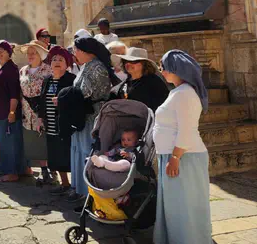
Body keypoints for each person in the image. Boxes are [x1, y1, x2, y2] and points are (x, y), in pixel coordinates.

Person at [153, 50, 216, 244]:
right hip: (175, 157)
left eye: (162, 66)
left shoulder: (186, 94)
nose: (160, 71)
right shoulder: (178, 92)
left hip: (184, 158)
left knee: (186, 206)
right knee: (177, 206)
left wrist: (175, 158)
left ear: (174, 69)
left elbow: (187, 130)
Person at [68, 37, 118, 203]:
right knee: (80, 151)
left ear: (83, 51)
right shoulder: (87, 66)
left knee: (87, 153)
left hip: (92, 118)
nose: (74, 53)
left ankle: (90, 195)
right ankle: (81, 191)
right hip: (83, 116)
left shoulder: (96, 67)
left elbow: (86, 92)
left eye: (75, 50)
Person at [39, 46, 76, 195]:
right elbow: (42, 101)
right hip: (50, 125)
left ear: (67, 64)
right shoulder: (47, 80)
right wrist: (41, 119)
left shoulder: (71, 80)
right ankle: (64, 183)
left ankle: (75, 186)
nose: (57, 62)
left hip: (65, 125)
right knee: (55, 154)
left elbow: (76, 101)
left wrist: (63, 102)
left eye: (61, 59)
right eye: (54, 59)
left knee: (68, 154)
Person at [18, 41, 52, 183]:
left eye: (34, 53)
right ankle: (42, 169)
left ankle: (51, 169)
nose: (30, 56)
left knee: (45, 140)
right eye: (29, 53)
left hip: (44, 111)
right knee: (34, 141)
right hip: (27, 111)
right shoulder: (23, 70)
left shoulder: (48, 70)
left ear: (40, 55)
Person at [0, 41, 23, 182]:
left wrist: (12, 112)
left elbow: (14, 94)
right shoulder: (1, 66)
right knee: (7, 142)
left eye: (2, 50)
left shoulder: (10, 69)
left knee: (10, 143)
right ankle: (13, 168)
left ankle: (12, 172)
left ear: (9, 52)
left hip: (8, 112)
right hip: (1, 112)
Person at [113, 47, 170, 112]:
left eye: (133, 61)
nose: (128, 63)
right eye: (125, 60)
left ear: (144, 64)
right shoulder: (124, 84)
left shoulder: (154, 82)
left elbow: (165, 106)